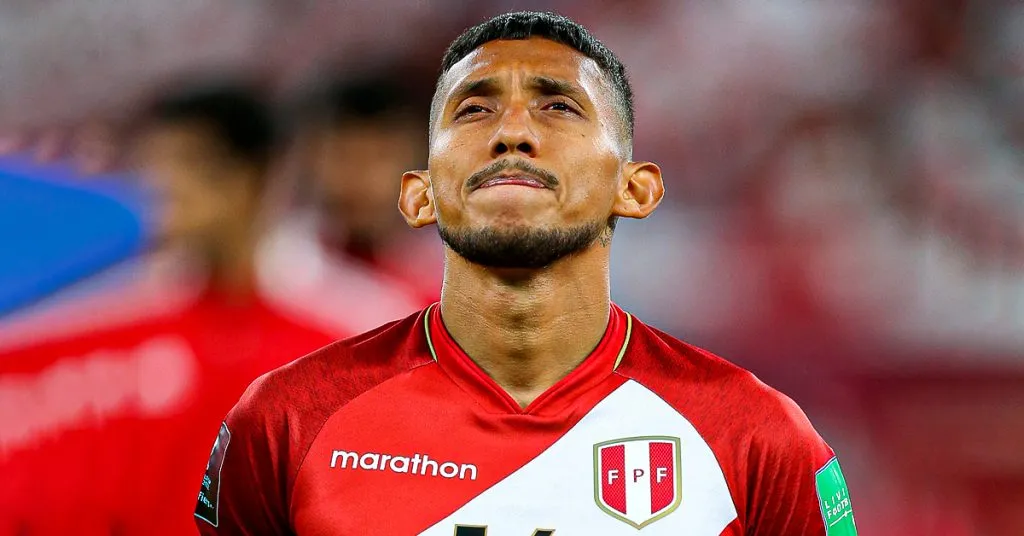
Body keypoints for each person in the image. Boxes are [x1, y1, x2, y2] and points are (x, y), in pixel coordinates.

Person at [195, 11, 857, 535]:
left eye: (558, 106)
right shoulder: (285, 422)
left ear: (636, 189)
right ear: (420, 195)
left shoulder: (758, 441)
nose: (512, 130)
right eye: (474, 109)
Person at [0, 84, 336, 535]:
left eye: (186, 164)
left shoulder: (343, 332)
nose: (164, 184)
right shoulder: (108, 319)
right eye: (155, 163)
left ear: (251, 178)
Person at [257, 71, 442, 335]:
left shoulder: (451, 274)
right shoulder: (273, 270)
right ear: (311, 159)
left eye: (379, 157)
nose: (359, 177)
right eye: (342, 156)